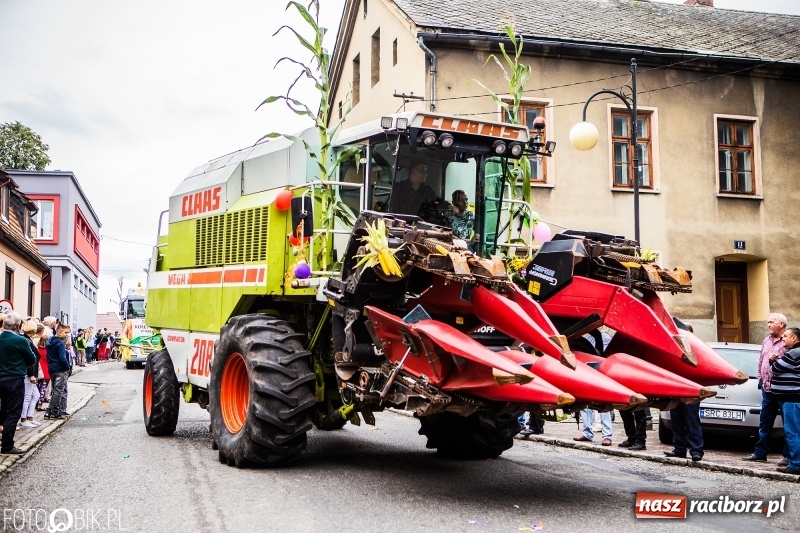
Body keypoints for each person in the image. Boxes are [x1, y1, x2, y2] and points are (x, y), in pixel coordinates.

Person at [743, 313, 790, 464]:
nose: (768, 325)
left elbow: (792, 363)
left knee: (787, 423)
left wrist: (777, 359)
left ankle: (788, 456)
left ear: (781, 324)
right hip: (767, 389)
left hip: (783, 389)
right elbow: (761, 361)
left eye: (772, 322)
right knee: (765, 422)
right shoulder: (766, 340)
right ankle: (760, 452)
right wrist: (760, 378)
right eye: (768, 322)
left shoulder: (788, 341)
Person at [0, 312, 37, 454]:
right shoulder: (20, 341)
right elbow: (31, 359)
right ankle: (7, 446)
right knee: (13, 414)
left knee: (2, 411)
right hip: (14, 379)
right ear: (18, 326)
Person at [771, 327, 800, 475]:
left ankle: (796, 465)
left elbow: (776, 369)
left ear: (794, 339)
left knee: (792, 432)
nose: (783, 340)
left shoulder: (794, 353)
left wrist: (773, 360)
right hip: (793, 398)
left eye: (786, 336)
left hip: (792, 399)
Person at [18, 320, 42, 429]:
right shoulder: (26, 340)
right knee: (27, 396)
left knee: (35, 395)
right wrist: (31, 374)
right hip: (29, 374)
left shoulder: (29, 340)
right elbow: (29, 359)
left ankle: (29, 417)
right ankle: (23, 419)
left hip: (31, 372)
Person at [45, 324, 72, 420]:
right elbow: (62, 358)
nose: (67, 335)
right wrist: (67, 368)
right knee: (58, 391)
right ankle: (55, 412)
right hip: (60, 369)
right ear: (59, 332)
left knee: (54, 390)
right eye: (66, 333)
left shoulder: (49, 341)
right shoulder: (60, 343)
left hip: (52, 368)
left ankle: (49, 411)